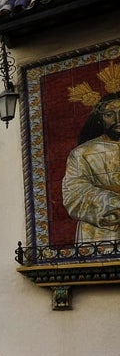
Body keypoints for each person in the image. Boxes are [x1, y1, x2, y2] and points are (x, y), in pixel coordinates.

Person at [62, 91, 120, 242]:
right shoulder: (82, 153)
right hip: (101, 233)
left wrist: (104, 187)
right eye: (109, 114)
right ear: (100, 119)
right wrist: (114, 204)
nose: (118, 119)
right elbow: (74, 193)